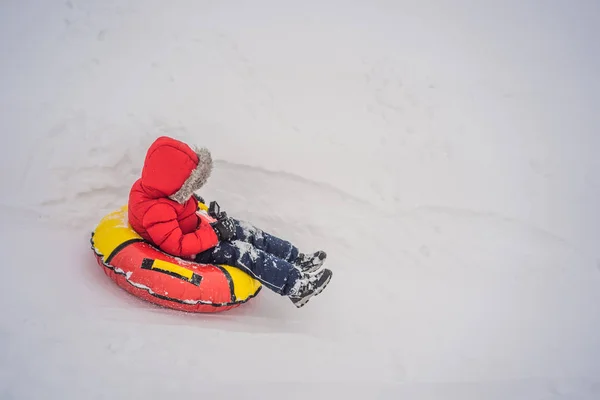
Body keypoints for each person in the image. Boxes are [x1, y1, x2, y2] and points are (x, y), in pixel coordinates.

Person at [127, 136, 332, 308]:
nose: (191, 190)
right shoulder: (156, 210)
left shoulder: (161, 190)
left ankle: (295, 258)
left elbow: (178, 208)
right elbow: (177, 245)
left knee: (246, 231)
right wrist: (216, 234)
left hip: (197, 231)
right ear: (172, 182)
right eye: (188, 185)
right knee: (242, 251)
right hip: (193, 250)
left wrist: (201, 209)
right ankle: (296, 286)